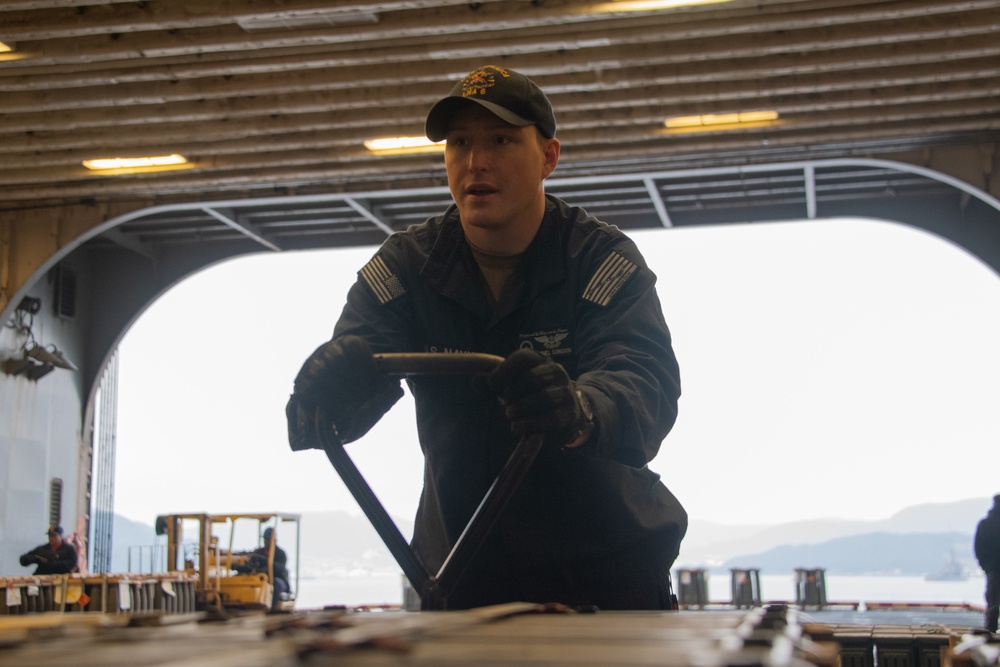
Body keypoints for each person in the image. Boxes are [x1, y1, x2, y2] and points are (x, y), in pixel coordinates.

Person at [286, 65, 686, 610]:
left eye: (500, 140)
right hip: (457, 582)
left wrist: (578, 410)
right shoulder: (403, 269)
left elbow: (643, 382)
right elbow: (346, 392)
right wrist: (329, 396)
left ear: (549, 156)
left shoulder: (600, 261)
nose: (476, 162)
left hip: (605, 578)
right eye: (460, 143)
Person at [235, 527, 290, 610]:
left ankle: (272, 609)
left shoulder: (280, 554)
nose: (266, 542)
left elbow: (280, 568)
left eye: (268, 539)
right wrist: (238, 567)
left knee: (275, 585)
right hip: (261, 579)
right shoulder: (258, 552)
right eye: (265, 539)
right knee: (245, 580)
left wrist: (265, 561)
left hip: (278, 578)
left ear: (274, 539)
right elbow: (250, 566)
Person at [975, 495, 1000, 633]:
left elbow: (978, 547)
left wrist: (985, 565)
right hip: (993, 568)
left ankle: (990, 629)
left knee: (993, 600)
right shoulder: (986, 523)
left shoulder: (986, 523)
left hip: (992, 569)